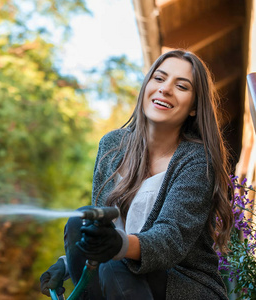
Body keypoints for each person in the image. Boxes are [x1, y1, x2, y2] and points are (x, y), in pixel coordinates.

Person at [40, 49, 234, 300]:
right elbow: (101, 229)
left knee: (113, 265)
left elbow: (170, 239)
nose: (165, 89)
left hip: (181, 285)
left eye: (182, 86)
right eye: (159, 78)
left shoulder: (197, 160)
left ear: (194, 108)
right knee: (81, 221)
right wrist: (67, 263)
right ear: (146, 87)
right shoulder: (112, 146)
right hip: (117, 280)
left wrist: (119, 246)